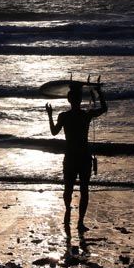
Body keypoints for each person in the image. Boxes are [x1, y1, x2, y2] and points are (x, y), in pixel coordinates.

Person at [46, 83, 107, 232]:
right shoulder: (86, 115)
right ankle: (80, 222)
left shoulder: (64, 116)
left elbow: (54, 132)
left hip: (71, 157)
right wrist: (99, 92)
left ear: (69, 100)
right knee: (84, 189)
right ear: (80, 100)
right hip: (84, 157)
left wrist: (49, 115)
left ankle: (68, 211)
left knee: (68, 188)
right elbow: (104, 109)